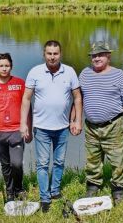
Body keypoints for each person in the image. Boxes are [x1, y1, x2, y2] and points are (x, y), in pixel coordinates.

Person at [21, 40, 82, 212]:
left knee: (59, 161)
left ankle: (55, 191)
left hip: (62, 127)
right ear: (44, 54)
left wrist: (77, 121)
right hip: (41, 128)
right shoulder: (35, 72)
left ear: (60, 54)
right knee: (42, 163)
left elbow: (77, 97)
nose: (52, 57)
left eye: (55, 53)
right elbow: (26, 99)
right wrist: (23, 123)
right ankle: (44, 197)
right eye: (49, 53)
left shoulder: (69, 71)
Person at [79, 41, 123, 202]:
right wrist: (75, 120)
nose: (96, 58)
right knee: (92, 159)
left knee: (118, 159)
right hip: (91, 126)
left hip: (114, 125)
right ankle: (93, 186)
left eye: (100, 55)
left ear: (108, 56)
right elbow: (78, 99)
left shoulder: (119, 75)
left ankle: (118, 189)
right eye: (93, 55)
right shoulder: (84, 73)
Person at [0, 53, 27, 202]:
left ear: (11, 66)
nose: (4, 68)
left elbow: (27, 105)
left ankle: (19, 188)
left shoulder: (20, 83)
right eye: (1, 66)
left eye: (7, 65)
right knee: (6, 165)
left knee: (16, 164)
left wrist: (27, 126)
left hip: (16, 131)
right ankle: (10, 192)